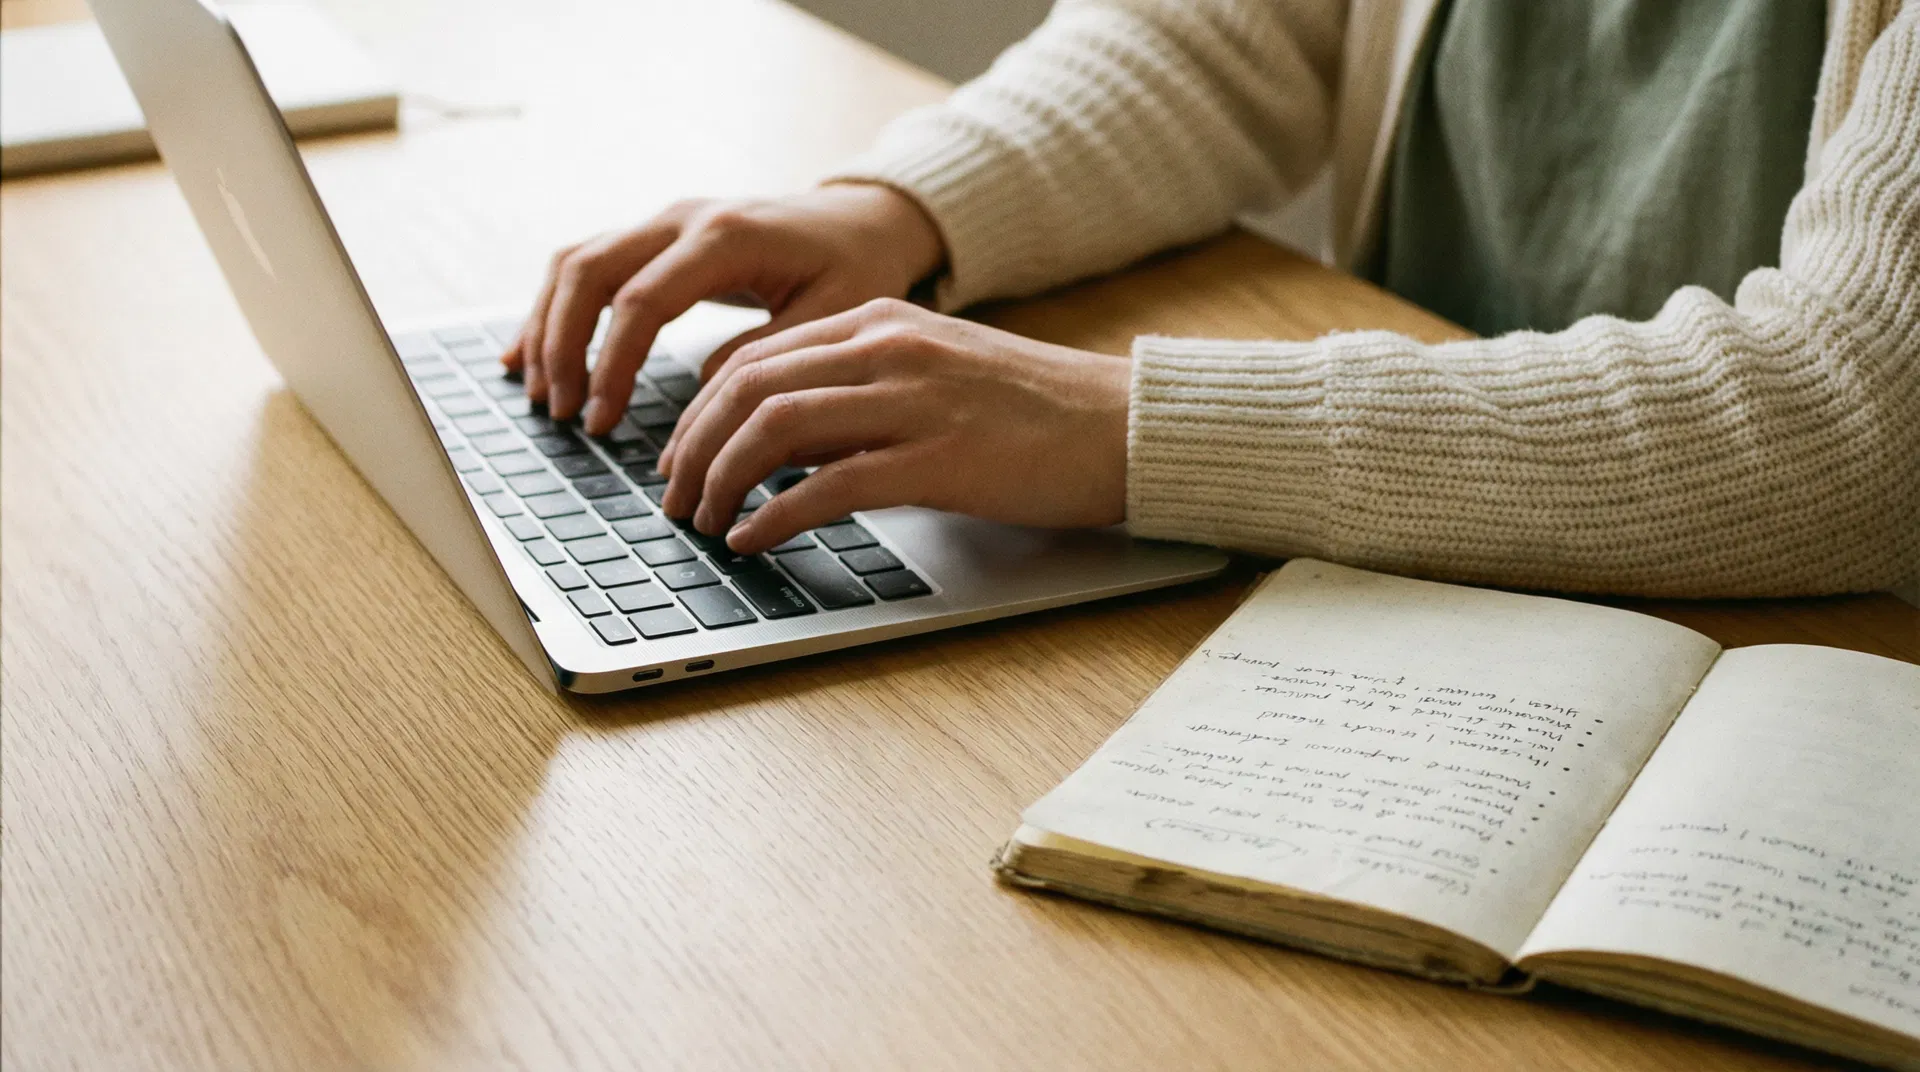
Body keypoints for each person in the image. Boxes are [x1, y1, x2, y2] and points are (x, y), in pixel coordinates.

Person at [502, 0, 1918, 599]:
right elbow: (1224, 36)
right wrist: (905, 207)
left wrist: (1125, 427)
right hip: (1407, 574)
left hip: (1796, 648)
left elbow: (1858, 416)